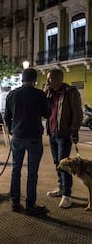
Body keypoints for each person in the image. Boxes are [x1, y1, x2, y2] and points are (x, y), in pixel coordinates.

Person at [5, 68, 51, 215]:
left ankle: (15, 202)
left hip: (17, 136)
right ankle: (30, 205)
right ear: (34, 80)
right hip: (33, 138)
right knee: (32, 172)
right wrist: (46, 97)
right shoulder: (39, 95)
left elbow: (7, 117)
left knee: (15, 170)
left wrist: (13, 130)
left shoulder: (12, 94)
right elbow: (47, 114)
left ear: (22, 79)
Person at [44, 68, 83, 209]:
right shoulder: (50, 93)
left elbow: (78, 113)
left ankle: (67, 194)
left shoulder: (71, 92)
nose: (48, 81)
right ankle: (61, 187)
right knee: (57, 162)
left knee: (64, 163)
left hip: (64, 134)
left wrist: (74, 130)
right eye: (48, 79)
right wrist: (45, 92)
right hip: (52, 132)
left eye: (50, 79)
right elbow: (43, 110)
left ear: (59, 79)